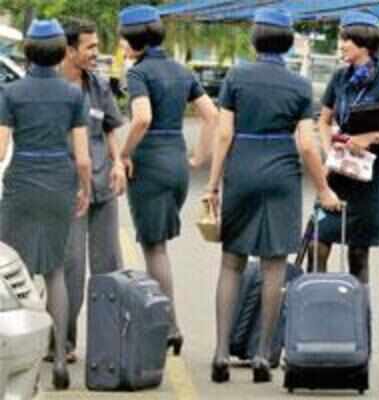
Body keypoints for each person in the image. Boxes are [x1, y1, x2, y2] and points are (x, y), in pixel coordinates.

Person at [204, 7, 341, 384]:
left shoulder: (236, 75)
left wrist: (213, 184)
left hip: (242, 170)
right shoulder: (299, 85)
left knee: (231, 262)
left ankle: (220, 351)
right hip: (281, 175)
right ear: (287, 40)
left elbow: (223, 133)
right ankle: (263, 354)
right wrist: (324, 187)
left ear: (255, 38)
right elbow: (308, 145)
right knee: (273, 266)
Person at [118, 5, 218, 355]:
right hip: (176, 162)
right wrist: (199, 157)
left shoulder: (139, 73)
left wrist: (124, 153)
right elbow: (211, 115)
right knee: (158, 244)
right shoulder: (181, 70)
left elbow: (142, 117)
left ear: (135, 40)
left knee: (154, 246)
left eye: (124, 37)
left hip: (150, 164)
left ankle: (169, 326)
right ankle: (168, 323)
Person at [0, 19, 91, 389]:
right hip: (59, 182)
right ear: (60, 51)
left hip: (21, 183)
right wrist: (84, 188)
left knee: (11, 274)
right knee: (55, 272)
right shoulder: (73, 95)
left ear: (28, 52)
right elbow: (83, 158)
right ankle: (58, 360)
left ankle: (17, 359)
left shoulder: (11, 93)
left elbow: (1, 147)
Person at [310, 11, 379, 283]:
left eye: (345, 40)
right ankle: (318, 309)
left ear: (363, 43)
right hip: (336, 174)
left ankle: (358, 321)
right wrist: (329, 152)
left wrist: (369, 139)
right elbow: (324, 121)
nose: (341, 46)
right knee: (317, 245)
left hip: (368, 180)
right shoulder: (339, 79)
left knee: (358, 257)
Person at [61, 18, 126, 362]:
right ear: (69, 50)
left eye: (97, 46)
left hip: (102, 188)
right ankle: (63, 343)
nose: (95, 53)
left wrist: (117, 163)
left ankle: (108, 341)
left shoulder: (98, 86)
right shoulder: (54, 88)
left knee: (108, 266)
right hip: (70, 193)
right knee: (70, 268)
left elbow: (110, 130)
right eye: (90, 47)